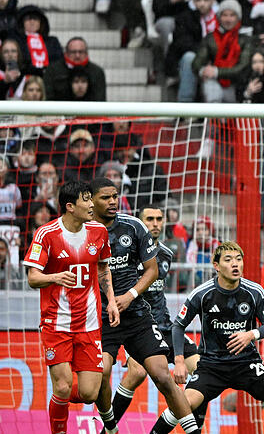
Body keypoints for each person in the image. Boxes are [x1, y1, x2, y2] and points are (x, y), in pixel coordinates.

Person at [151, 241, 264, 434]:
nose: (235, 264)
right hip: (212, 366)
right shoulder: (202, 294)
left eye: (238, 259)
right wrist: (179, 360)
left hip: (247, 363)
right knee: (183, 404)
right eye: (228, 260)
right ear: (216, 265)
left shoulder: (254, 291)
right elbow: (178, 325)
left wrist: (251, 334)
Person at [89, 178, 200, 434]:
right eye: (106, 197)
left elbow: (151, 271)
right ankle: (110, 426)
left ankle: (194, 430)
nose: (113, 202)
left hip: (139, 316)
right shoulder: (85, 232)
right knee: (103, 374)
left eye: (115, 196)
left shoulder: (135, 230)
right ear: (91, 201)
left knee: (165, 376)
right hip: (102, 318)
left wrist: (129, 296)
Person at [22, 180, 119, 434]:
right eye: (86, 200)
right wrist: (55, 277)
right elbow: (33, 278)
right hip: (56, 323)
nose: (91, 204)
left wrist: (111, 300)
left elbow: (103, 267)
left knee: (89, 393)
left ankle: (60, 400)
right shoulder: (46, 234)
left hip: (89, 323)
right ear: (70, 207)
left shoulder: (99, 231)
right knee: (63, 386)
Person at [192, 0, 252, 103]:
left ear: (238, 18)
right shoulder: (211, 38)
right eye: (225, 15)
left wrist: (217, 72)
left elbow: (242, 68)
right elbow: (197, 63)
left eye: (232, 15)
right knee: (210, 85)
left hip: (237, 85)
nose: (228, 19)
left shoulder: (246, 39)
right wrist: (204, 71)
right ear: (219, 17)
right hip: (214, 83)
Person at [43, 37, 106, 101]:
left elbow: (100, 99)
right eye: (73, 52)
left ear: (86, 53)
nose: (77, 55)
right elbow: (48, 97)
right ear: (66, 53)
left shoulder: (97, 72)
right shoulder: (53, 70)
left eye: (81, 52)